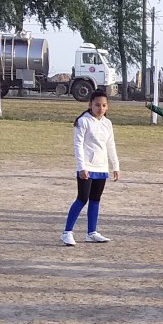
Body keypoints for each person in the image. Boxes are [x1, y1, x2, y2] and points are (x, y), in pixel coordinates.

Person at [61, 89, 120, 246]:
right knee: (82, 198)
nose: (100, 108)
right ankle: (67, 232)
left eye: (104, 105)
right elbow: (78, 145)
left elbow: (110, 145)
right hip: (87, 167)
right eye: (97, 105)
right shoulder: (83, 121)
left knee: (95, 200)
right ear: (90, 105)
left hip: (102, 167)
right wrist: (82, 167)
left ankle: (91, 232)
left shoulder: (107, 123)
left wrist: (115, 165)